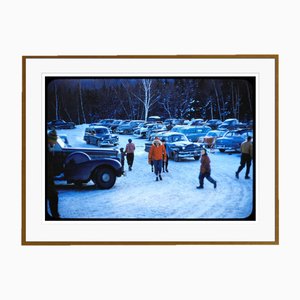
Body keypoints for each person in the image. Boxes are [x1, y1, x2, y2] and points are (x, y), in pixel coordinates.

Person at [46, 130, 61, 219]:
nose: (55, 143)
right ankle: (55, 216)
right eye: (54, 140)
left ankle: (49, 215)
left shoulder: (49, 147)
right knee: (53, 196)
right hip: (46, 177)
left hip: (49, 177)